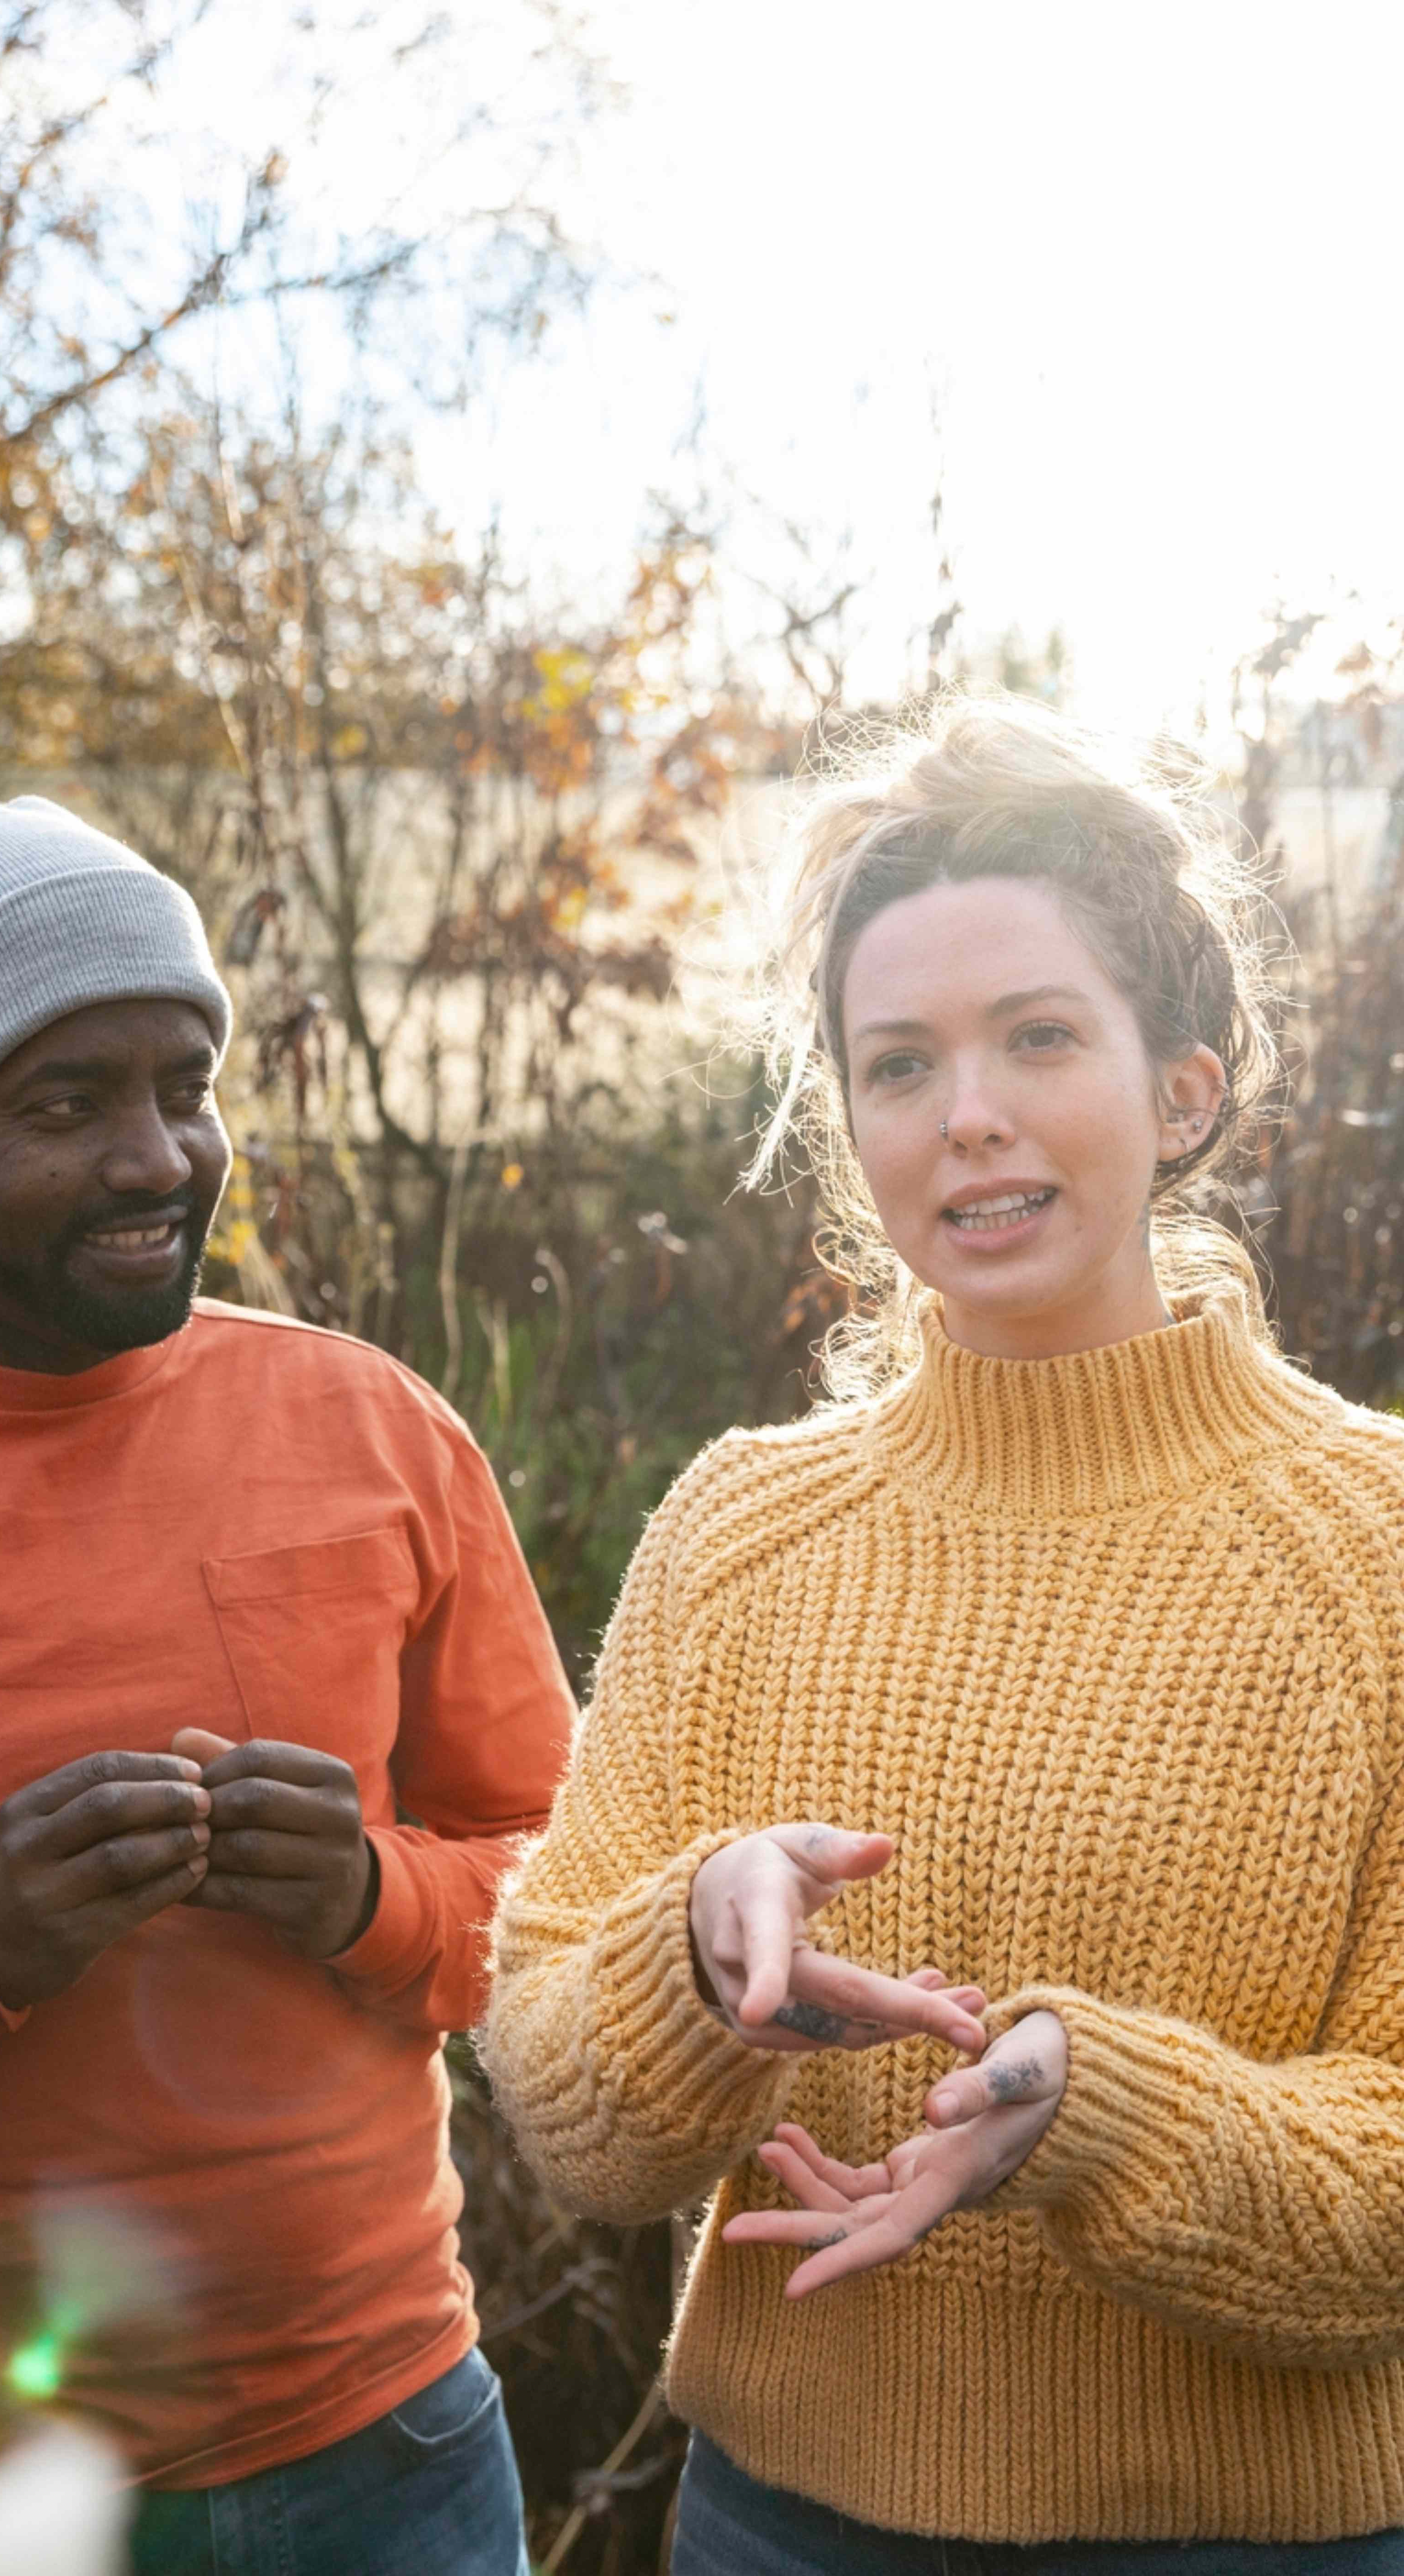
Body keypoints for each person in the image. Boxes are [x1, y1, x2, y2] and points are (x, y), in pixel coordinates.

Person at [483, 696, 1404, 2572]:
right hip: (781, 2529)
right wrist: (692, 1949)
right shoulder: (741, 1532)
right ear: (850, 1124)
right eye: (899, 1063)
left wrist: (1091, 2107)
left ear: (1185, 1091)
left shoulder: (1375, 1553)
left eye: (1040, 1038)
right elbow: (562, 2105)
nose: (967, 1110)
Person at [0, 786, 575, 2576]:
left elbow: (582, 1908)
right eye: (67, 1103)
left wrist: (366, 1895)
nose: (162, 1157)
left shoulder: (376, 1429)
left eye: (186, 1084)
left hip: (397, 2453)